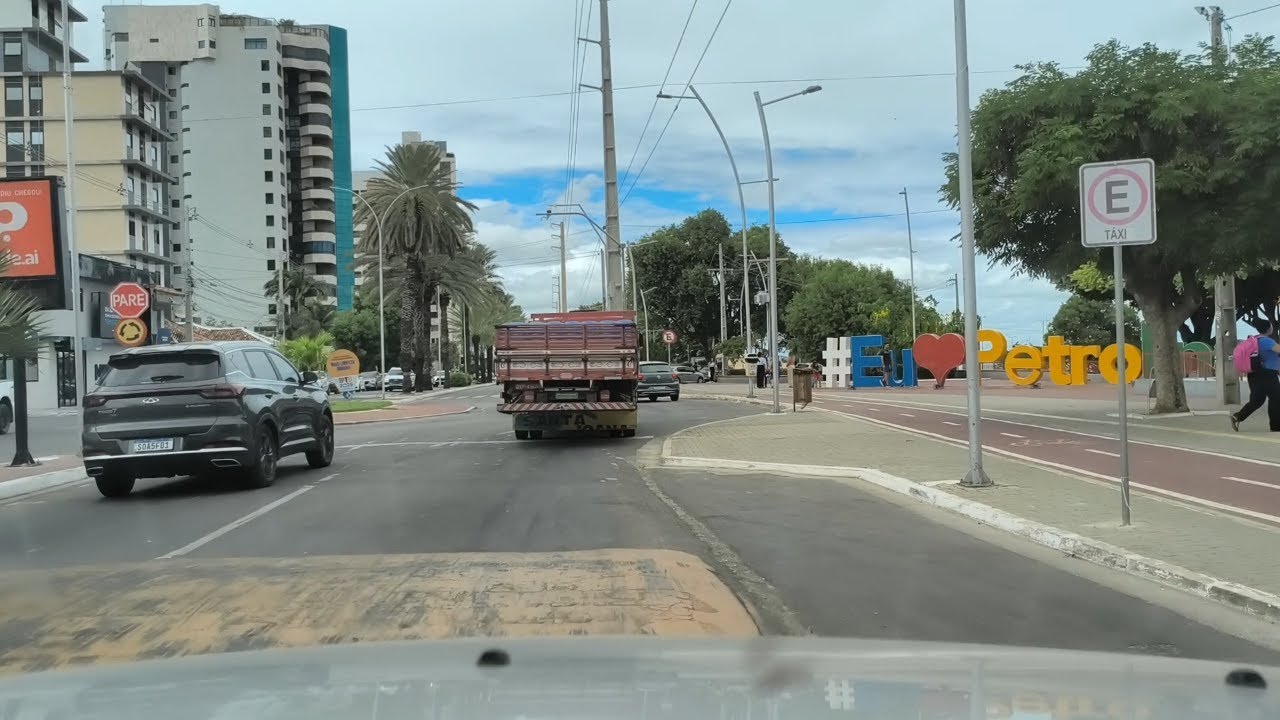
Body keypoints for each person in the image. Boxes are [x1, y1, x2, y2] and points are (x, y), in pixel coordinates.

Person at [1231, 324, 1280, 432]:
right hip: (1267, 374)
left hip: (1253, 374)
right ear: (1269, 329)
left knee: (1257, 400)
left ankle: (1238, 416)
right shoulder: (1267, 341)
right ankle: (1276, 426)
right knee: (1276, 398)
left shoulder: (1254, 340)